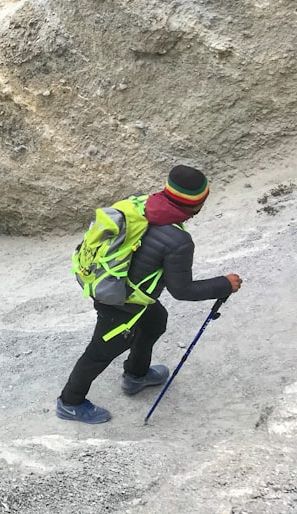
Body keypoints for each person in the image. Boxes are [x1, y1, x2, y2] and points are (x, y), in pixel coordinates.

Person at [56, 165, 243, 424]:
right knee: (100, 352)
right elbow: (182, 290)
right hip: (120, 302)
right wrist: (224, 284)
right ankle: (70, 402)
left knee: (155, 321)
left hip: (114, 284)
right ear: (197, 206)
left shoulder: (141, 203)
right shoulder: (179, 242)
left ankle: (136, 375)